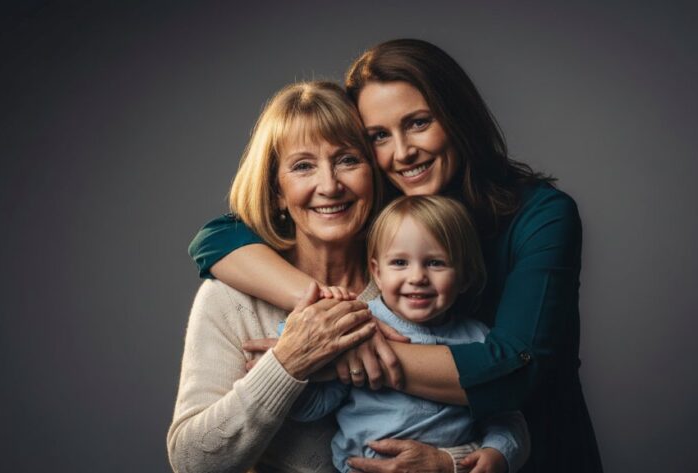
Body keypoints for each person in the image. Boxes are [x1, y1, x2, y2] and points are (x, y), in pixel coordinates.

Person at [189, 39, 603, 472]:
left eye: (419, 123)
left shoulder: (540, 215)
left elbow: (516, 372)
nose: (403, 152)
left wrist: (346, 346)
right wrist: (337, 314)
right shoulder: (389, 204)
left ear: (457, 117)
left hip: (537, 456)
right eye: (379, 137)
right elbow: (216, 237)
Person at [287, 195, 530, 473]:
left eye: (436, 263)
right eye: (400, 263)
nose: (417, 277)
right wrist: (292, 370)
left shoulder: (479, 339)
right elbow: (313, 407)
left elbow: (507, 417)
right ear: (377, 273)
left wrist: (497, 451)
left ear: (464, 276)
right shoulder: (359, 323)